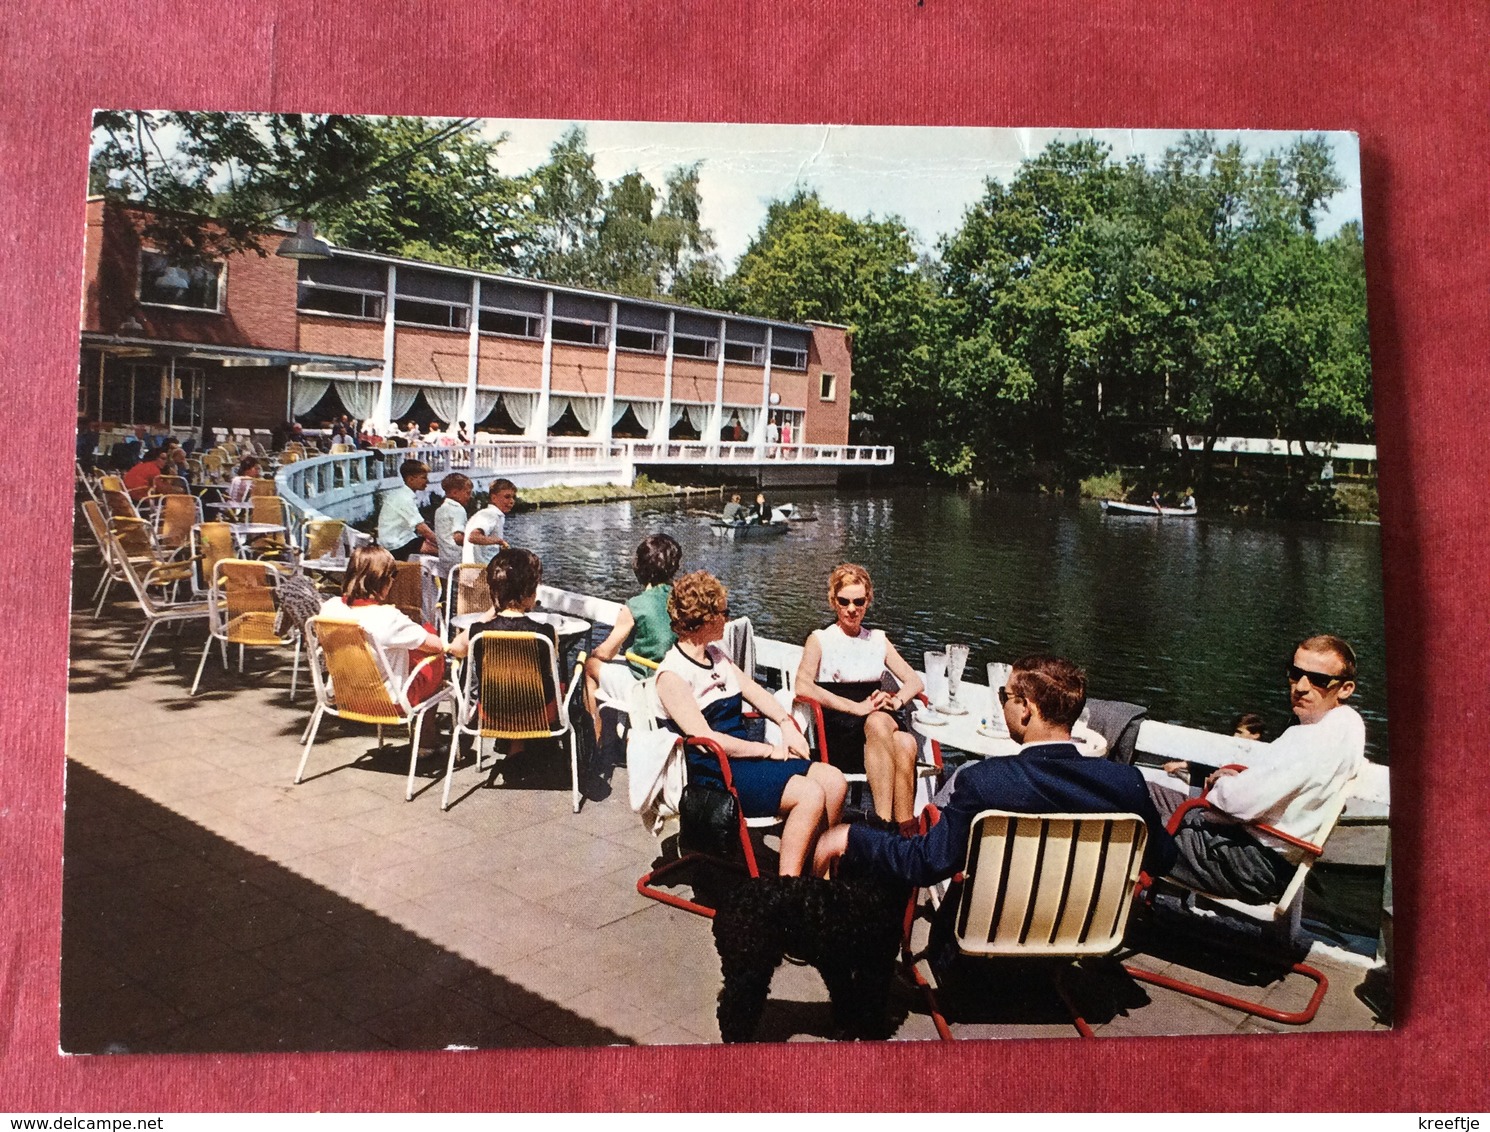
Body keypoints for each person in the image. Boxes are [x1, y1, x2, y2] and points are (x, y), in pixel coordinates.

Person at [814, 655, 1177, 885]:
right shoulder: (1126, 783)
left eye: (1005, 697)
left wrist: (848, 836)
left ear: (1026, 709)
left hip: (987, 939)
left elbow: (923, 864)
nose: (1002, 705)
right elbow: (1164, 858)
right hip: (1083, 935)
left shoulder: (984, 782)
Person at [1146, 635, 1366, 903]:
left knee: (1129, 811)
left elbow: (1234, 804)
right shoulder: (1349, 727)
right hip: (1265, 856)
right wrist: (1242, 781)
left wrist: (1221, 783)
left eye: (1319, 680)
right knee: (1142, 790)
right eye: (1296, 674)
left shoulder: (1311, 739)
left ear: (1345, 689)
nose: (1302, 687)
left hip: (1243, 863)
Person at [656, 571, 846, 877]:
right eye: (723, 612)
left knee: (834, 780)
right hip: (715, 773)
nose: (728, 619)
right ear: (704, 618)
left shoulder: (716, 656)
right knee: (810, 794)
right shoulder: (672, 675)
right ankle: (787, 887)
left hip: (744, 761)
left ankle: (819, 874)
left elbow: (756, 692)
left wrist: (785, 723)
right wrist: (769, 750)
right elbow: (706, 739)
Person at [794, 564, 924, 832]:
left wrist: (897, 700)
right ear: (833, 602)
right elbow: (802, 686)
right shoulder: (820, 640)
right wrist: (855, 708)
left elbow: (914, 681)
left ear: (868, 601)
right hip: (840, 731)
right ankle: (887, 829)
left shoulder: (877, 639)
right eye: (844, 601)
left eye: (859, 601)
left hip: (877, 724)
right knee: (897, 735)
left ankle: (899, 833)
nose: (852, 609)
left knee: (906, 740)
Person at [319, 545, 461, 747]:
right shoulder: (388, 618)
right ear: (382, 580)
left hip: (344, 697)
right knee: (435, 660)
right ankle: (425, 739)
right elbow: (438, 646)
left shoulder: (329, 607)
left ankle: (426, 737)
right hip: (387, 703)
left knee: (405, 653)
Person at [582, 534, 682, 739]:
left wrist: (594, 652)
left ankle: (594, 740)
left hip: (648, 685)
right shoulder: (683, 598)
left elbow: (607, 652)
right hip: (679, 680)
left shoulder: (636, 605)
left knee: (591, 666)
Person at [449, 548, 561, 721]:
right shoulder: (545, 634)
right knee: (560, 687)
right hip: (537, 715)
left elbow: (455, 648)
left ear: (493, 592)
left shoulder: (478, 632)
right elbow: (550, 667)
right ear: (529, 593)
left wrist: (495, 607)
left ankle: (514, 746)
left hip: (493, 713)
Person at [377, 459, 436, 561]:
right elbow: (422, 528)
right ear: (411, 479)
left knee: (438, 548)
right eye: (423, 478)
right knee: (443, 552)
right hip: (396, 545)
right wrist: (443, 544)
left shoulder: (402, 495)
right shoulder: (404, 499)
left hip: (403, 539)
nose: (427, 481)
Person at [463, 478, 518, 566]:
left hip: (469, 568)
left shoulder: (485, 513)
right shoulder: (491, 515)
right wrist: (499, 541)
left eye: (513, 497)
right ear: (494, 498)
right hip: (480, 571)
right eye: (507, 497)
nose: (512, 501)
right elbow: (473, 537)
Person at [431, 472, 473, 576]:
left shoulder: (440, 509)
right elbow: (458, 537)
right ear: (454, 493)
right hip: (458, 561)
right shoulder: (458, 510)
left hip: (445, 560)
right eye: (467, 493)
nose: (470, 496)